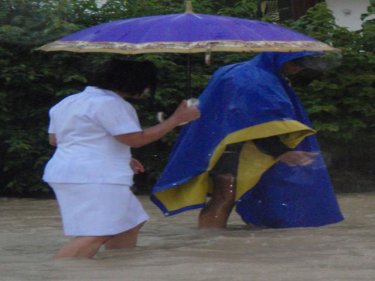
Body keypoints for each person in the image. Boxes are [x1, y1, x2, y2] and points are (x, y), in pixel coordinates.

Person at [151, 51, 343, 229]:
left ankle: (210, 242)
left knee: (225, 196)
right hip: (231, 146)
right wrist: (282, 152)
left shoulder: (239, 71)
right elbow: (254, 123)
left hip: (219, 142)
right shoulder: (255, 78)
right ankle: (211, 243)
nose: (297, 69)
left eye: (302, 65)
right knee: (225, 197)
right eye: (296, 63)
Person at [42, 59, 200, 259]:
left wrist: (119, 155)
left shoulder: (67, 102)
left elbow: (56, 140)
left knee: (130, 222)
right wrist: (175, 119)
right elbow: (136, 139)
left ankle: (119, 268)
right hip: (95, 176)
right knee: (98, 233)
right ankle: (60, 273)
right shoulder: (112, 103)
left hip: (69, 171)